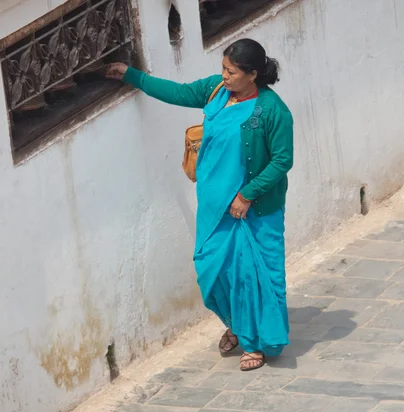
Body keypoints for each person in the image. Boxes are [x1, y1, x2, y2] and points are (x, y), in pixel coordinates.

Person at [106, 38, 293, 371]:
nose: (224, 76)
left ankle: (257, 342)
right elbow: (178, 93)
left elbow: (281, 160)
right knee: (213, 269)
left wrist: (246, 195)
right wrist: (131, 76)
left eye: (232, 72)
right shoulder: (215, 91)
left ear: (252, 74)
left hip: (257, 210)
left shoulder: (272, 111)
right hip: (214, 205)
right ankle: (237, 323)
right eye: (223, 68)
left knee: (257, 275)